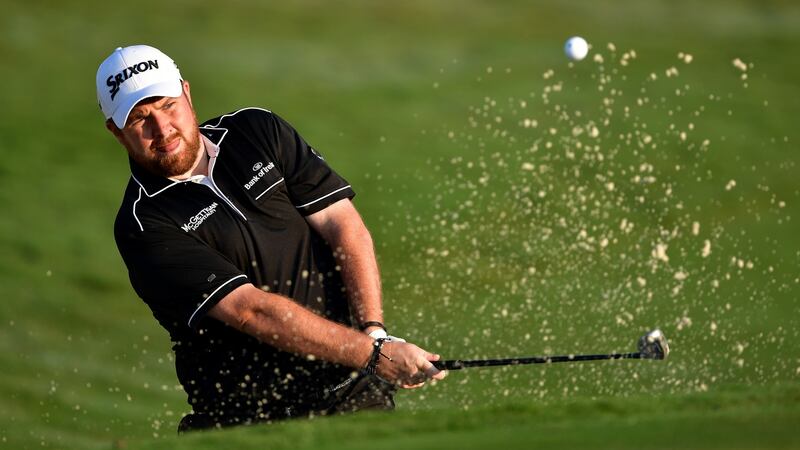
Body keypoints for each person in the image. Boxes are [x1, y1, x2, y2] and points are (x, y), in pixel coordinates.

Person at [96, 44, 445, 432]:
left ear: (187, 93)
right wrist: (374, 355)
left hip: (352, 389)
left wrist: (374, 332)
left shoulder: (255, 131)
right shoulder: (143, 224)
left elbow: (342, 224)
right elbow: (250, 311)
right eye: (140, 119)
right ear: (116, 131)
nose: (162, 129)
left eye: (167, 106)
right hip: (251, 421)